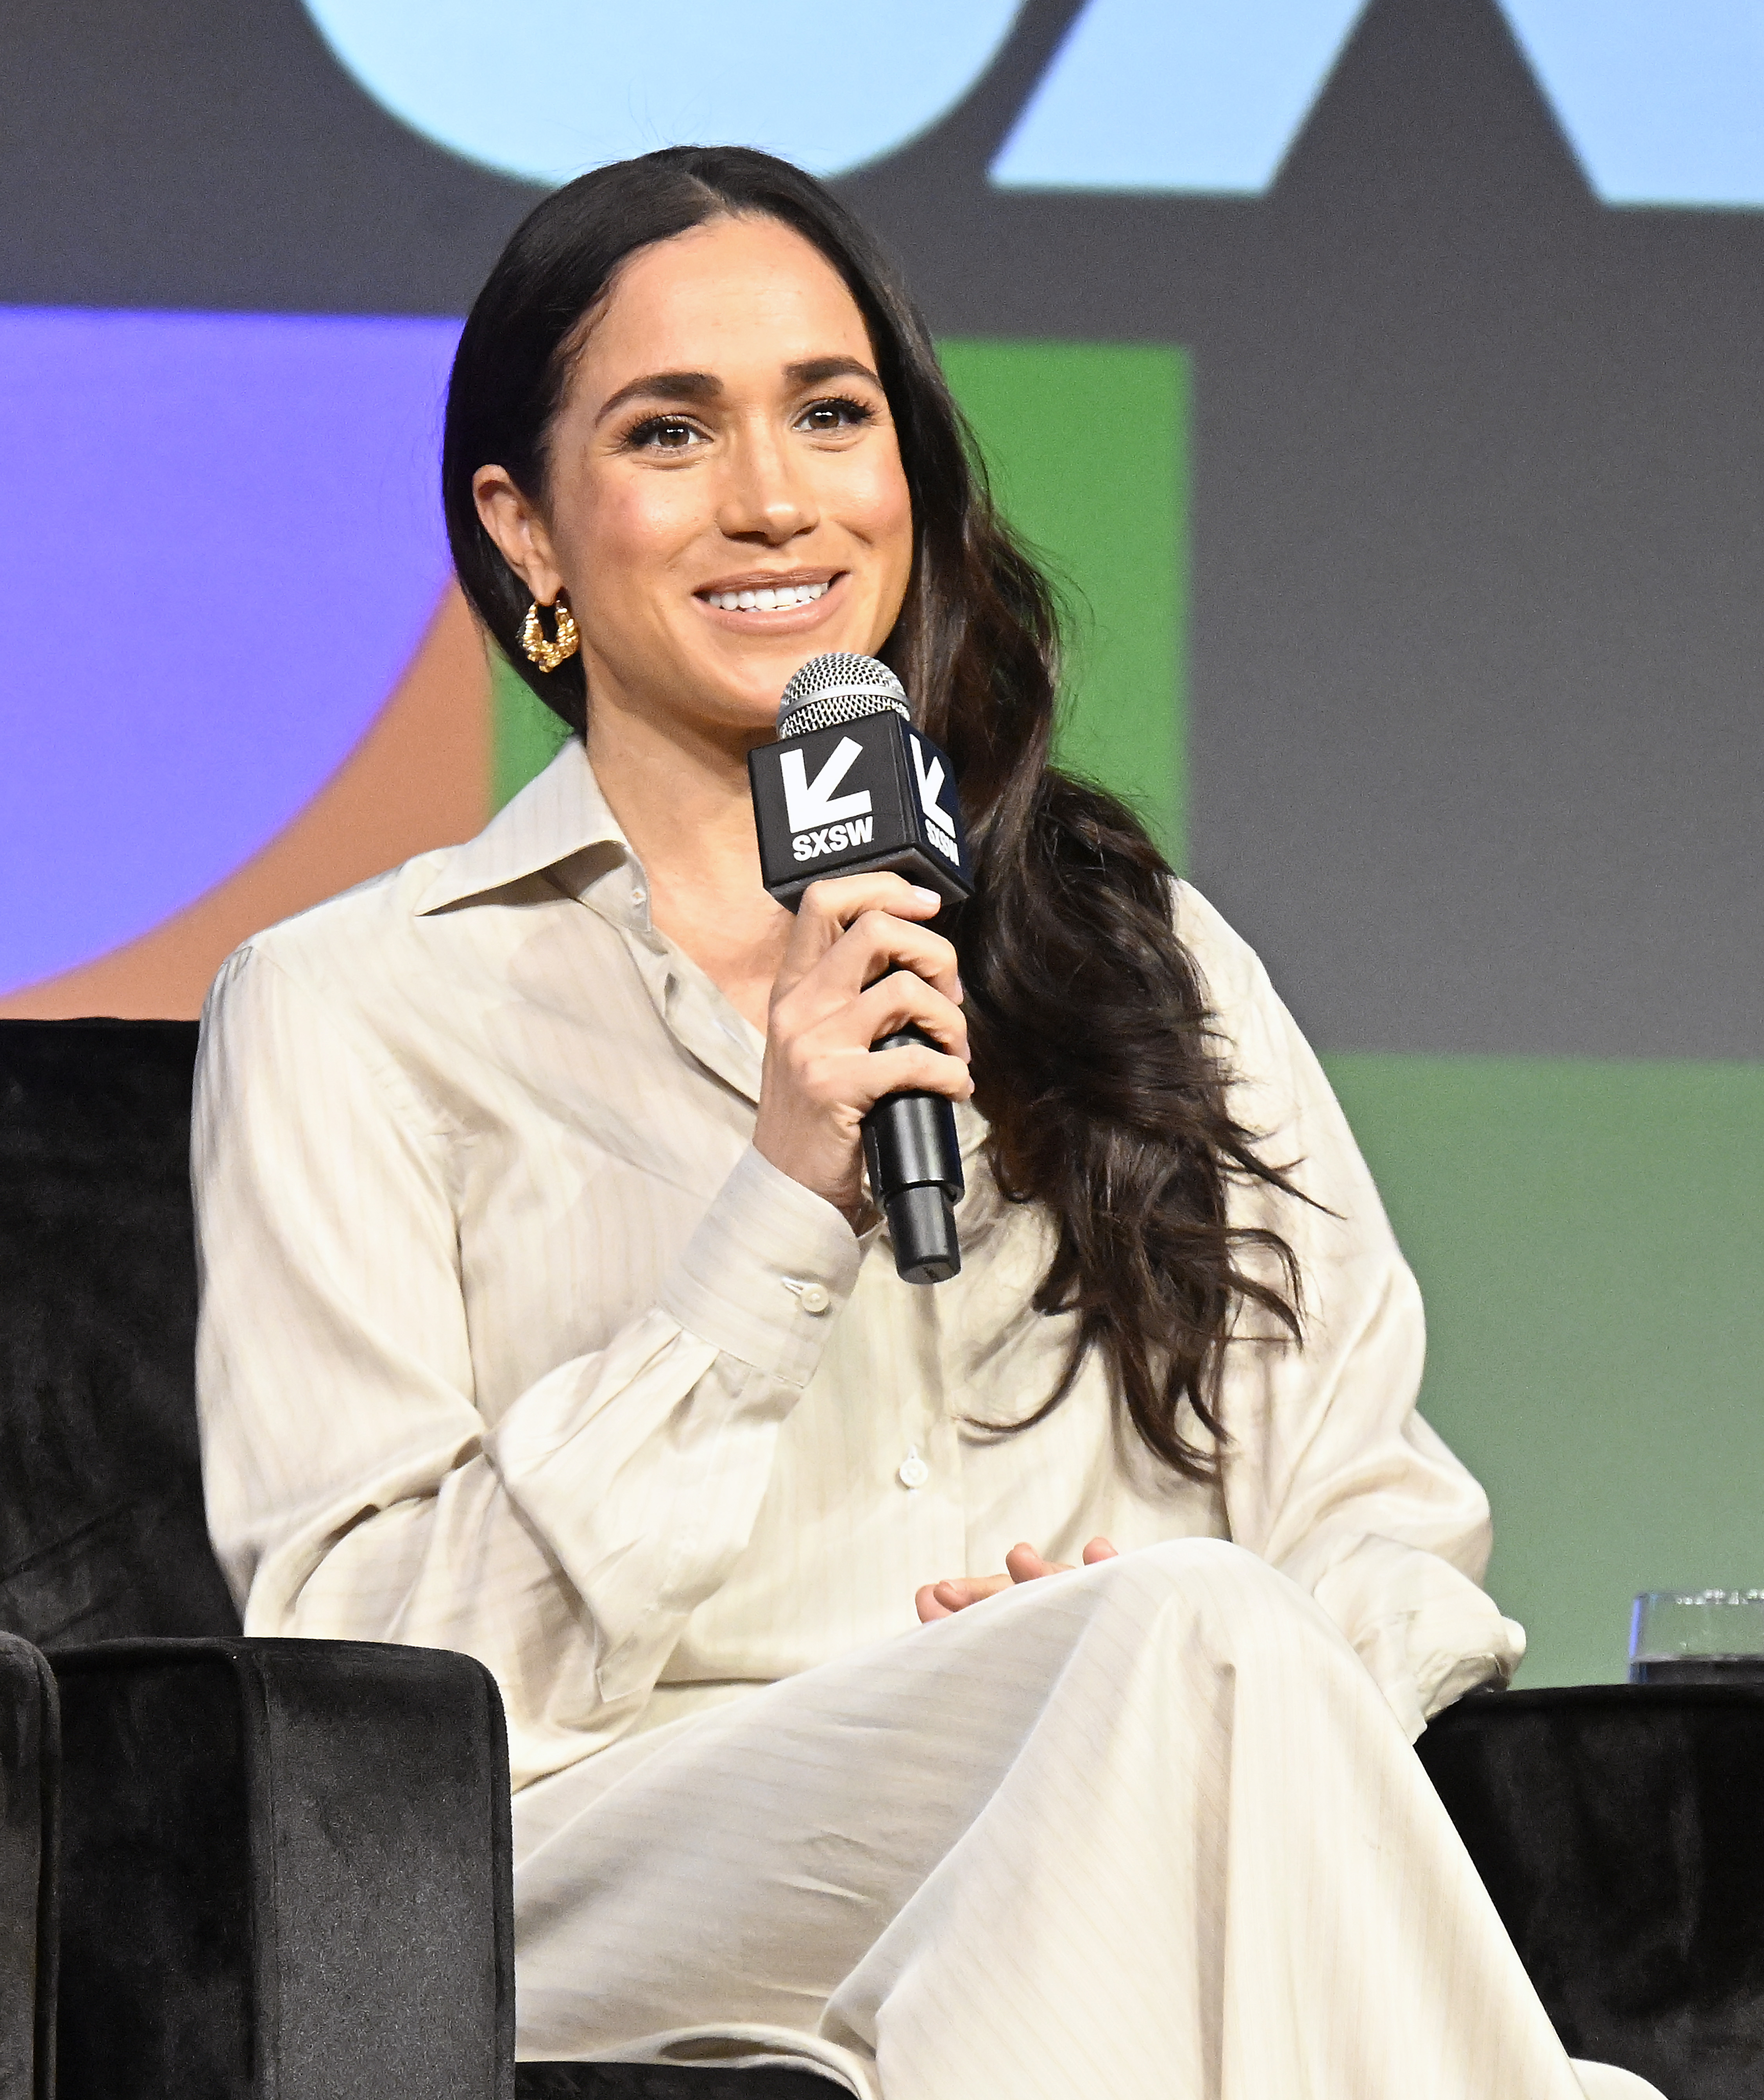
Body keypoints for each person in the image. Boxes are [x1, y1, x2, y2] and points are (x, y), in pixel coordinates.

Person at [193, 146, 1651, 2100]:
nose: (775, 496)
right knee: (1175, 1660)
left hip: (1135, 1814)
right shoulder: (357, 1005)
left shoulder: (1143, 959)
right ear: (525, 526)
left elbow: (1372, 1527)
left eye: (830, 411)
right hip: (603, 1858)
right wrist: (776, 1208)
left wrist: (1174, 1680)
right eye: (669, 431)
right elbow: (350, 1668)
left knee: (1177, 1680)